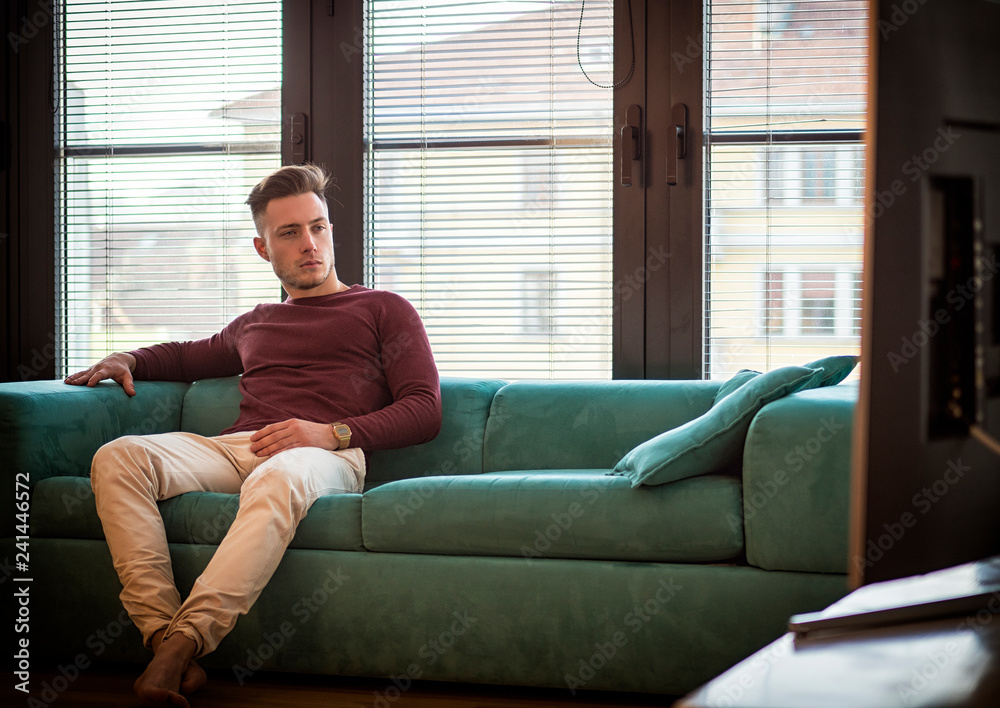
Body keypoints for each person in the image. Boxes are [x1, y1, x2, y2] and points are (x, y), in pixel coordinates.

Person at [64, 164, 442, 707]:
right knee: (119, 457)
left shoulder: (383, 308)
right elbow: (185, 355)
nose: (309, 244)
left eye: (318, 227)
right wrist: (127, 356)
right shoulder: (256, 321)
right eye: (289, 233)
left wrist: (329, 433)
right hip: (239, 447)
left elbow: (424, 410)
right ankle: (161, 638)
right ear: (264, 249)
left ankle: (181, 648)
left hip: (323, 456)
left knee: (279, 475)